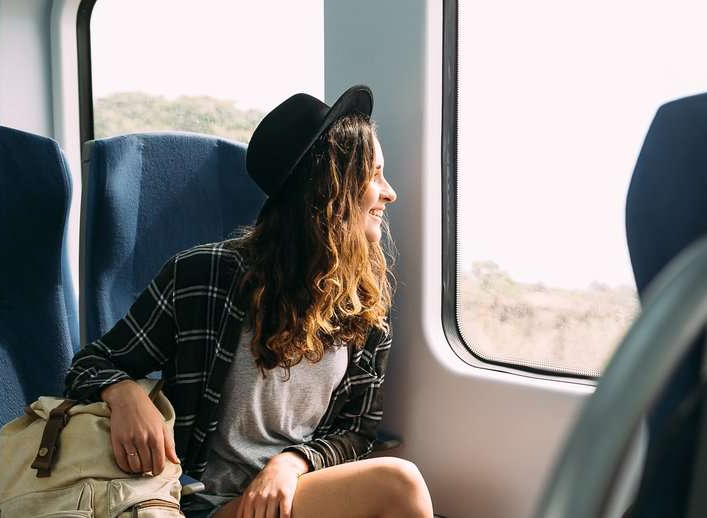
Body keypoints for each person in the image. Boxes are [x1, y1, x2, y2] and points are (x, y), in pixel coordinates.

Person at [64, 85, 434, 518]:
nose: (389, 193)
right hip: (202, 503)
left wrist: (291, 463)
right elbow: (88, 364)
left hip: (293, 493)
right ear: (329, 188)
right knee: (399, 485)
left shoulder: (363, 301)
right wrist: (123, 392)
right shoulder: (204, 277)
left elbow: (356, 431)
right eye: (374, 175)